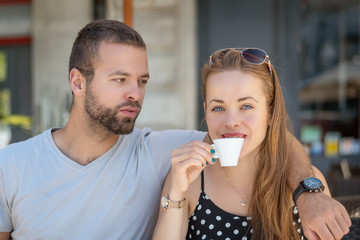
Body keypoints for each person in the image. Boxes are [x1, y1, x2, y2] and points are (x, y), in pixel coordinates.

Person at [0, 20, 350, 240]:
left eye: (142, 81)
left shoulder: (159, 149)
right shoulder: (10, 166)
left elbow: (264, 139)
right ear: (78, 82)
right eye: (120, 79)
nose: (134, 93)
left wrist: (310, 192)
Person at [153, 48, 351, 240]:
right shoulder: (187, 179)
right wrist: (176, 193)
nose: (231, 121)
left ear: (271, 113)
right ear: (206, 111)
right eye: (218, 107)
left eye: (246, 106)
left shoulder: (308, 185)